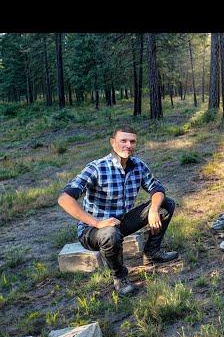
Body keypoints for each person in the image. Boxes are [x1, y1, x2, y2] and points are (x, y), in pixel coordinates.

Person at [58, 124, 178, 296]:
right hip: (93, 230)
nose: (128, 145)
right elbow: (64, 199)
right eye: (123, 141)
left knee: (167, 204)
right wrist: (97, 223)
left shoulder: (138, 166)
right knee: (110, 233)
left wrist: (153, 210)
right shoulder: (97, 168)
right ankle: (120, 276)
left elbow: (157, 189)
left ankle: (152, 253)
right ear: (112, 143)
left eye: (132, 141)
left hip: (121, 221)